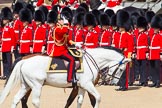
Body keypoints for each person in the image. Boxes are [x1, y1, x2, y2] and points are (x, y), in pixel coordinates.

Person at [47, 11, 79, 87]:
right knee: (71, 60)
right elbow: (64, 31)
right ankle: (69, 78)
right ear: (58, 21)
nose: (62, 21)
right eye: (61, 20)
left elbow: (68, 40)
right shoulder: (57, 29)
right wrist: (65, 23)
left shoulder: (61, 28)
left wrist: (76, 44)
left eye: (62, 19)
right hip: (59, 51)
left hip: (64, 49)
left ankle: (74, 76)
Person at [115, 10, 134, 91]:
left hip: (125, 54)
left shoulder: (128, 35)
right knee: (119, 71)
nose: (119, 28)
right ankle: (120, 85)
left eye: (121, 27)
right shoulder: (118, 35)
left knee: (124, 72)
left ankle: (124, 86)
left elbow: (130, 46)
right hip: (119, 54)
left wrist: (129, 56)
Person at [0, 7, 15, 79]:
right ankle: (5, 74)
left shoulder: (10, 28)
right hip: (4, 46)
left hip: (8, 46)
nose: (3, 20)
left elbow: (13, 38)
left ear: (8, 20)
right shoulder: (3, 28)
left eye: (4, 19)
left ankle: (9, 74)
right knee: (4, 61)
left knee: (9, 62)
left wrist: (12, 47)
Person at [148, 15, 162, 88]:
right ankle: (154, 81)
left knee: (157, 68)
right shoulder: (153, 35)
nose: (154, 29)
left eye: (155, 28)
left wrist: (161, 54)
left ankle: (158, 81)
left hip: (156, 54)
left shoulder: (160, 35)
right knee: (152, 68)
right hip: (152, 53)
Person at [135, 16, 149, 86]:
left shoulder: (145, 35)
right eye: (139, 27)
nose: (139, 28)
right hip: (139, 52)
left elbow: (146, 44)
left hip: (143, 52)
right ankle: (141, 80)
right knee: (140, 68)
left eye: (141, 27)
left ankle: (145, 81)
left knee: (144, 68)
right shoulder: (138, 34)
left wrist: (146, 52)